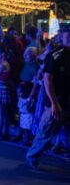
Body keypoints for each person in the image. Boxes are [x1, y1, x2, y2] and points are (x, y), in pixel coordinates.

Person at [26, 27, 70, 170]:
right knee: (47, 131)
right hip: (57, 101)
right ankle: (33, 155)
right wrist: (54, 104)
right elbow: (47, 79)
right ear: (62, 37)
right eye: (68, 36)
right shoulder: (55, 55)